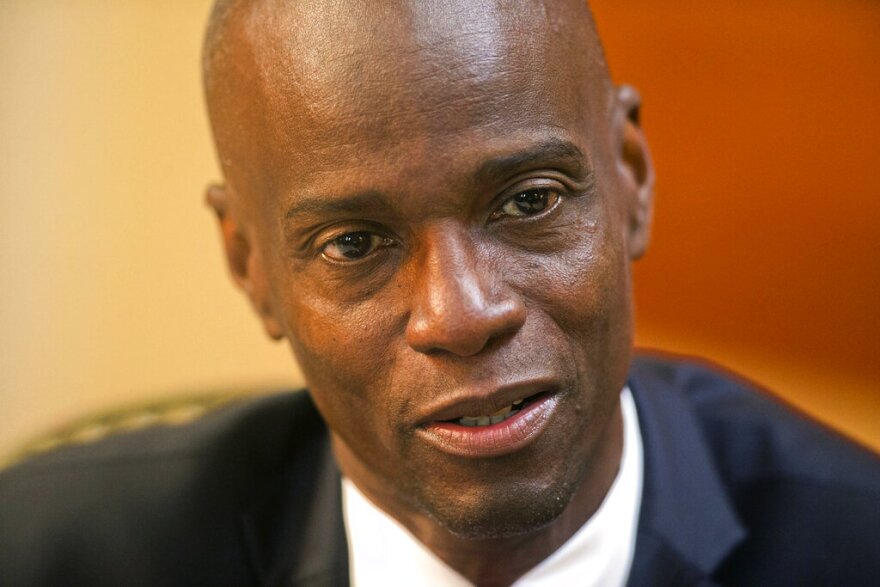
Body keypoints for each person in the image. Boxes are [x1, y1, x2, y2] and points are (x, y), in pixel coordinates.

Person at [1, 1, 878, 585]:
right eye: (353, 244)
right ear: (250, 266)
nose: (460, 314)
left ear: (632, 180)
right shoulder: (49, 550)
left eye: (530, 201)